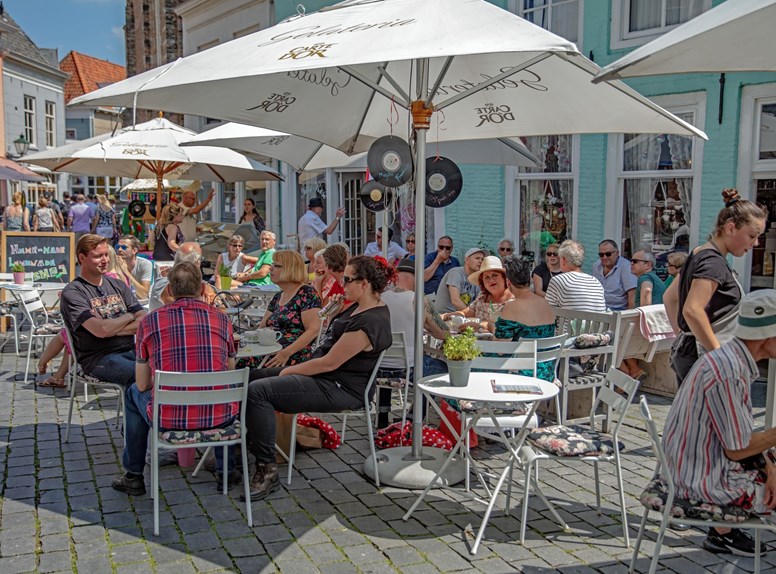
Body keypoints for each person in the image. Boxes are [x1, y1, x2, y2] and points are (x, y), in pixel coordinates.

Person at [242, 255, 392, 500]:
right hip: (328, 377)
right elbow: (328, 340)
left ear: (364, 284)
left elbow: (329, 362)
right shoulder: (359, 306)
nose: (342, 285)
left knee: (259, 391)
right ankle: (243, 448)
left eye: (347, 280)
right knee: (249, 377)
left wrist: (289, 369)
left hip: (339, 387)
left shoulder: (370, 320)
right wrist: (331, 316)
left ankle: (267, 469)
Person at [661, 290, 776, 557]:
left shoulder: (728, 358)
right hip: (699, 480)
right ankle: (722, 530)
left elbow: (738, 437)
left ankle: (723, 532)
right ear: (768, 336)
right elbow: (737, 449)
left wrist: (769, 465)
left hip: (691, 463)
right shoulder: (729, 371)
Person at [112, 262, 240, 496]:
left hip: (169, 418)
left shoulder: (151, 320)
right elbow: (229, 370)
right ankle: (226, 471)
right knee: (220, 391)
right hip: (220, 417)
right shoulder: (222, 320)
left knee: (132, 393)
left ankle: (133, 475)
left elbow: (142, 385)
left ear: (169, 290)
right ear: (203, 288)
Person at [664, 189, 767, 384]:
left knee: (692, 414)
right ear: (730, 228)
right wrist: (721, 357)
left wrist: (683, 337)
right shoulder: (713, 263)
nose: (756, 243)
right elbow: (693, 310)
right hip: (705, 360)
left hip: (689, 353)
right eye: (752, 235)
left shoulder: (698, 252)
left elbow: (670, 298)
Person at [60, 234, 146, 387]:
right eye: (98, 256)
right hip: (98, 359)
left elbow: (143, 320)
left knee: (164, 368)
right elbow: (101, 330)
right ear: (82, 258)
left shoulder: (118, 285)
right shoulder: (73, 292)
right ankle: (144, 410)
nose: (105, 260)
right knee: (142, 377)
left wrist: (111, 329)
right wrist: (129, 316)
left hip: (130, 351)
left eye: (106, 254)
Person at [241, 250, 321, 370]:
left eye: (277, 266)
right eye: (272, 265)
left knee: (243, 369)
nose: (271, 269)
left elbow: (314, 330)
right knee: (232, 360)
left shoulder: (306, 293)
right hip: (269, 351)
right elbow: (261, 327)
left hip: (290, 356)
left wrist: (286, 353)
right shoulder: (278, 296)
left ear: (291, 269)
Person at [493, 256, 557, 381]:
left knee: (471, 362)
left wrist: (492, 327)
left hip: (521, 375)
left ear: (508, 283)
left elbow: (501, 349)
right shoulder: (546, 304)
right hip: (546, 374)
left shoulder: (511, 307)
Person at [377, 257, 416, 428]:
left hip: (378, 369)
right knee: (435, 367)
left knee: (388, 358)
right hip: (407, 370)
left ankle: (382, 415)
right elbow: (442, 332)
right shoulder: (417, 299)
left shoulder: (380, 299)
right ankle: (413, 418)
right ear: (413, 277)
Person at [443, 255, 514, 333]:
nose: (491, 280)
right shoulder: (482, 297)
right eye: (486, 277)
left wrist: (480, 326)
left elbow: (509, 329)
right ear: (482, 282)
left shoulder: (514, 300)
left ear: (504, 278)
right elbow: (466, 313)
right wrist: (448, 316)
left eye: (495, 275)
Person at [150, 242, 217, 312]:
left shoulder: (186, 278)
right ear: (197, 262)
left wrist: (206, 287)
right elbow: (184, 307)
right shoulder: (166, 281)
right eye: (201, 259)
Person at [545, 240, 606, 312]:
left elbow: (547, 312)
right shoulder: (596, 282)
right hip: (595, 323)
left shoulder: (558, 280)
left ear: (564, 260)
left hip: (570, 323)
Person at [434, 247, 485, 314]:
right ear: (467, 260)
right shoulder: (455, 272)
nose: (480, 261)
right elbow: (455, 301)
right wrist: (472, 314)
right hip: (445, 315)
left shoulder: (476, 279)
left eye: (482, 259)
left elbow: (478, 303)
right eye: (477, 258)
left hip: (461, 316)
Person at [592, 239, 637, 311]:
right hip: (598, 310)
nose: (604, 257)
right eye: (601, 255)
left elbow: (632, 295)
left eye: (608, 254)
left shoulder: (626, 267)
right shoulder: (596, 266)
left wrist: (629, 318)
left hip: (618, 312)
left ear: (617, 253)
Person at [116, 235, 153, 300]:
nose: (119, 249)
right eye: (117, 247)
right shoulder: (113, 264)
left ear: (134, 251)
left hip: (140, 302)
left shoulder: (144, 264)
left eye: (124, 247)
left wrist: (126, 272)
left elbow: (144, 295)